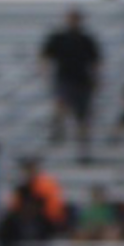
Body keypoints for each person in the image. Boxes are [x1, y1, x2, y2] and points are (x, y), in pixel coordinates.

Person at [39, 8, 102, 162]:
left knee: (83, 119)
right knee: (61, 103)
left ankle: (83, 151)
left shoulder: (86, 39)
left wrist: (97, 79)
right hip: (64, 78)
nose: (73, 21)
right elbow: (45, 55)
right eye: (71, 18)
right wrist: (44, 71)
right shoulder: (58, 37)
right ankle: (58, 128)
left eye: (76, 18)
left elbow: (96, 61)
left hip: (83, 81)